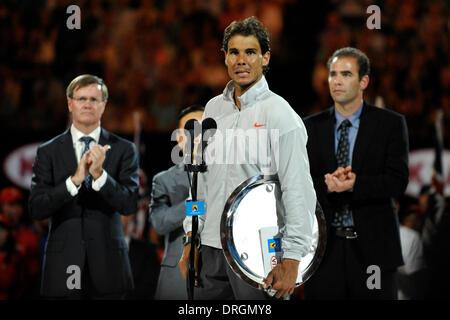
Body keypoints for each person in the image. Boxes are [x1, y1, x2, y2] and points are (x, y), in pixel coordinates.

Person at [180, 17, 316, 300]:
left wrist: (292, 257)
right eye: (234, 52)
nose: (241, 60)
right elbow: (199, 182)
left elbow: (298, 189)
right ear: (225, 57)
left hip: (260, 253)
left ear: (265, 58)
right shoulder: (213, 109)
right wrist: (191, 235)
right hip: (210, 252)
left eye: (250, 52)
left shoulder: (280, 113)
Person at [303, 47, 409, 299]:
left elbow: (397, 181)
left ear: (364, 81)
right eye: (333, 74)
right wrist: (327, 186)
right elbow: (299, 185)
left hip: (374, 250)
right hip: (324, 252)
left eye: (346, 74)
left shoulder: (390, 124)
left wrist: (355, 184)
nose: (337, 81)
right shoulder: (309, 127)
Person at [29, 74, 139, 299]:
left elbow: (129, 204)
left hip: (109, 266)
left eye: (94, 99)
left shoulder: (124, 149)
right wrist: (73, 182)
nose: (87, 104)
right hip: (64, 266)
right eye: (81, 99)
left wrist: (100, 176)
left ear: (104, 105)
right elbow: (36, 208)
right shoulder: (48, 152)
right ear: (69, 103)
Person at [150, 105, 204, 300]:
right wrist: (197, 204)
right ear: (180, 140)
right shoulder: (164, 180)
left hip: (220, 273)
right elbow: (159, 222)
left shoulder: (230, 176)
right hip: (176, 278)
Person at [0, 186, 39, 298]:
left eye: (19, 205)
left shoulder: (30, 237)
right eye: (11, 205)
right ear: (2, 206)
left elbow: (32, 277)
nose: (15, 210)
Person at [121, 214, 160, 299]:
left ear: (129, 216)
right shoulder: (94, 250)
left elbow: (149, 287)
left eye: (117, 213)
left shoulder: (147, 251)